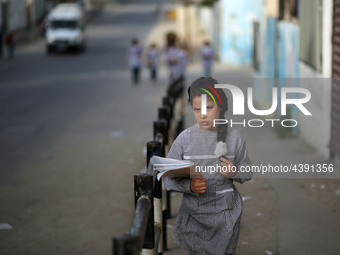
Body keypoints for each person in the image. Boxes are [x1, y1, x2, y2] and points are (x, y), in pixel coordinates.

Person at [162, 77, 252, 255]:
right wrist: (189, 186)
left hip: (226, 217)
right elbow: (167, 179)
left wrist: (234, 171)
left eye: (209, 108)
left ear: (221, 107)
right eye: (197, 109)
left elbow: (247, 171)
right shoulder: (184, 140)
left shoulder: (234, 138)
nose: (202, 114)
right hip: (194, 218)